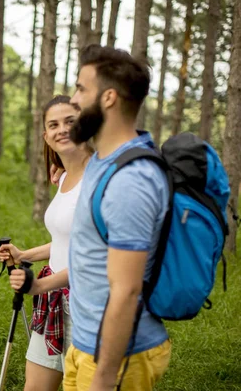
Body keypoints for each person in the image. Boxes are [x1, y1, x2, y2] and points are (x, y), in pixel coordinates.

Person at [64, 44, 171, 391]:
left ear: (108, 98)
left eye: (81, 88)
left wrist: (105, 376)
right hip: (85, 344)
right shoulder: (102, 160)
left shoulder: (131, 179)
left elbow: (126, 289)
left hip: (116, 357)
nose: (74, 99)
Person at [0, 95, 92, 391]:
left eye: (70, 122)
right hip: (53, 300)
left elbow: (92, 257)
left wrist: (37, 286)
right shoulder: (64, 179)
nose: (61, 129)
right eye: (53, 125)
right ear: (45, 136)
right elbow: (66, 240)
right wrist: (24, 254)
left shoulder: (98, 178)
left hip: (85, 303)